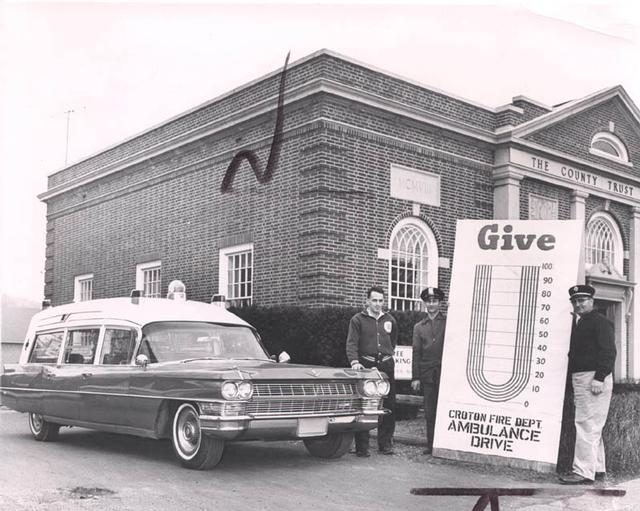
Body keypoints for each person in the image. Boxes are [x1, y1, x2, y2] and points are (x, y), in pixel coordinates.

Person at [559, 284, 616, 485]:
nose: (578, 304)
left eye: (582, 300)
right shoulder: (582, 323)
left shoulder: (600, 322)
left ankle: (582, 472)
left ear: (592, 301)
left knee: (586, 425)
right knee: (592, 426)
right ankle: (597, 469)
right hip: (584, 378)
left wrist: (599, 377)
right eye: (575, 301)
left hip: (592, 378)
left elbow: (609, 352)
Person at [346, 286, 398, 456]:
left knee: (388, 405)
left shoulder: (390, 320)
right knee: (365, 405)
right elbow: (352, 343)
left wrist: (385, 357)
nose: (377, 304)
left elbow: (393, 341)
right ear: (367, 301)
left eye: (380, 301)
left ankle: (385, 444)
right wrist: (354, 362)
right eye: (374, 300)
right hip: (366, 366)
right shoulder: (357, 320)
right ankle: (362, 447)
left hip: (386, 366)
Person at [411, 287, 447, 455]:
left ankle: (445, 444)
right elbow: (417, 352)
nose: (431, 304)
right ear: (424, 303)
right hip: (427, 374)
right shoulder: (419, 327)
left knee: (445, 409)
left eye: (434, 301)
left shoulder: (448, 322)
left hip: (445, 373)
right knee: (430, 410)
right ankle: (431, 444)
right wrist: (416, 377)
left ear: (440, 303)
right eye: (428, 301)